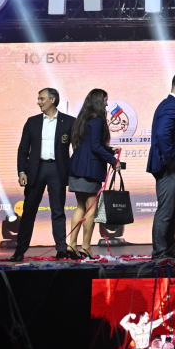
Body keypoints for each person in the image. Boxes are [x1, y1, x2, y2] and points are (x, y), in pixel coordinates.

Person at [13, 87, 75, 261]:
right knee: (28, 212)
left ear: (52, 100)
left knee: (58, 211)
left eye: (41, 98)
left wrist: (71, 169)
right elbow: (23, 149)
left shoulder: (69, 121)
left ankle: (61, 249)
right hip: (35, 170)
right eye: (39, 99)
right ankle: (20, 250)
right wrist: (21, 171)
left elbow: (77, 148)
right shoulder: (32, 121)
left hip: (57, 170)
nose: (38, 102)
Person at [67, 89, 119, 259]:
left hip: (77, 166)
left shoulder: (83, 119)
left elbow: (89, 144)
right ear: (98, 101)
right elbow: (95, 147)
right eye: (105, 100)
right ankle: (86, 247)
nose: (106, 104)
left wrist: (109, 150)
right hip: (90, 169)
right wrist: (113, 160)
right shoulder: (98, 120)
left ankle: (72, 245)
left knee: (80, 206)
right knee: (91, 208)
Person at [148, 72, 175, 261]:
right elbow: (162, 134)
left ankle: (169, 248)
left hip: (171, 166)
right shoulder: (170, 106)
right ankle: (160, 251)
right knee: (166, 210)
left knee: (173, 209)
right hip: (167, 167)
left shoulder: (172, 105)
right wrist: (171, 159)